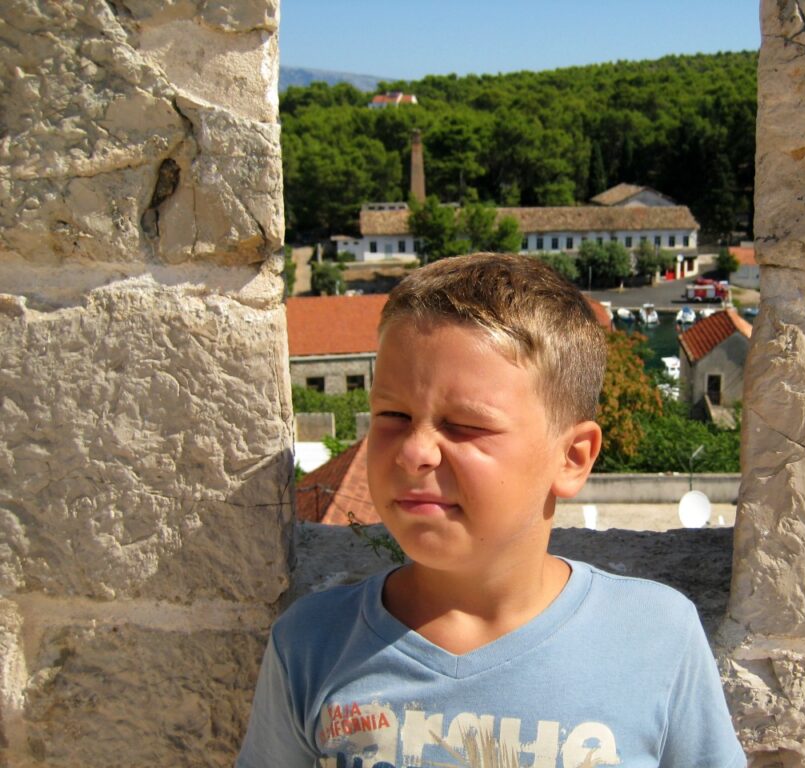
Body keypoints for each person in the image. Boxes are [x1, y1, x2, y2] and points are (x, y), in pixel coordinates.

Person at [237, 253, 745, 768]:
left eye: (464, 425)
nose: (415, 451)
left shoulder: (655, 638)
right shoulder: (310, 647)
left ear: (571, 458)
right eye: (393, 414)